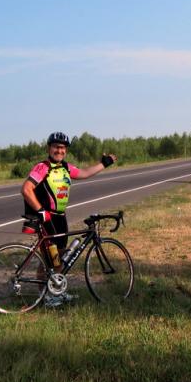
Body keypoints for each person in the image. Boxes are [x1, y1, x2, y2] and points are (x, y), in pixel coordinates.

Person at [21, 131, 116, 305]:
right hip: (47, 217)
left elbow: (85, 173)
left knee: (61, 256)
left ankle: (56, 292)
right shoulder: (42, 167)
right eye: (56, 147)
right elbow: (26, 189)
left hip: (60, 217)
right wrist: (41, 211)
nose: (60, 150)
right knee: (50, 259)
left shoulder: (65, 167)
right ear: (49, 148)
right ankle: (46, 296)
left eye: (63, 148)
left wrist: (104, 163)